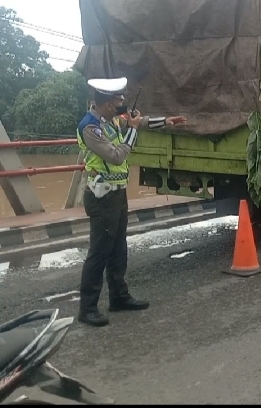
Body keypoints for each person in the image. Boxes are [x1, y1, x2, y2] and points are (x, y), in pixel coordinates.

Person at [76, 77, 187, 327]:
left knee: (118, 249)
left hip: (117, 193)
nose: (122, 104)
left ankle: (119, 297)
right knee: (99, 253)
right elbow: (117, 155)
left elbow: (140, 121)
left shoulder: (112, 119)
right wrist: (134, 130)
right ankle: (88, 308)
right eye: (118, 100)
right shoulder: (90, 127)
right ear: (106, 103)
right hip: (101, 196)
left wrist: (166, 121)